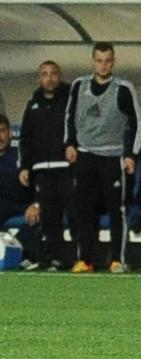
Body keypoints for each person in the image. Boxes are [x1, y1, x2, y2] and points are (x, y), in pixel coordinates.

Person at [64, 42, 141, 273]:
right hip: (85, 155)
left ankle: (117, 259)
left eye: (107, 61)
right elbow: (69, 116)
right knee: (84, 209)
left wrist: (131, 155)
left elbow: (136, 122)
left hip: (112, 156)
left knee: (116, 209)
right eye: (99, 60)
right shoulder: (79, 85)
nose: (103, 65)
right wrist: (69, 144)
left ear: (113, 61)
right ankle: (85, 259)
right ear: (93, 61)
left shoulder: (123, 88)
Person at [18, 60, 73, 270]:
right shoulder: (33, 105)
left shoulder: (70, 101)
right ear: (39, 78)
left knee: (75, 214)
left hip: (67, 168)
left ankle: (81, 258)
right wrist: (25, 166)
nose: (49, 78)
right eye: (44, 74)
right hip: (42, 170)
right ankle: (54, 258)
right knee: (50, 217)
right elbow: (26, 138)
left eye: (53, 74)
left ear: (59, 76)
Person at [0, 114, 39, 264]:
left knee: (39, 218)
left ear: (10, 133)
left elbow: (40, 182)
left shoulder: (22, 155)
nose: (0, 137)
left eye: (2, 131)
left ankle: (21, 256)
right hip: (3, 206)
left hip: (25, 205)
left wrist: (36, 204)